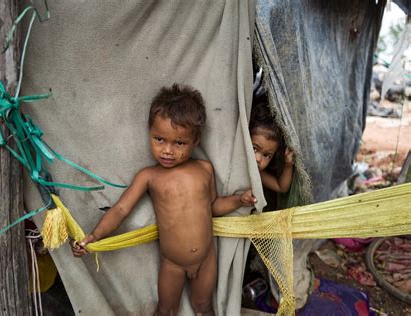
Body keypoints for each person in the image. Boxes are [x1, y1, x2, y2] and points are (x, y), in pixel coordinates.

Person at [71, 83, 256, 316]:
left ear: (195, 140)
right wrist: (94, 236)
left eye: (179, 143)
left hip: (206, 258)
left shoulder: (204, 169)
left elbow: (213, 207)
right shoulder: (149, 177)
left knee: (203, 307)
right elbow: (120, 210)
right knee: (166, 310)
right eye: (159, 139)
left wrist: (239, 200)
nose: (167, 150)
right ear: (150, 132)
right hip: (173, 265)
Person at [249, 101, 294, 193]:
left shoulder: (258, 173)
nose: (258, 159)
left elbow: (281, 187)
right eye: (254, 148)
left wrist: (288, 165)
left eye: (267, 155)